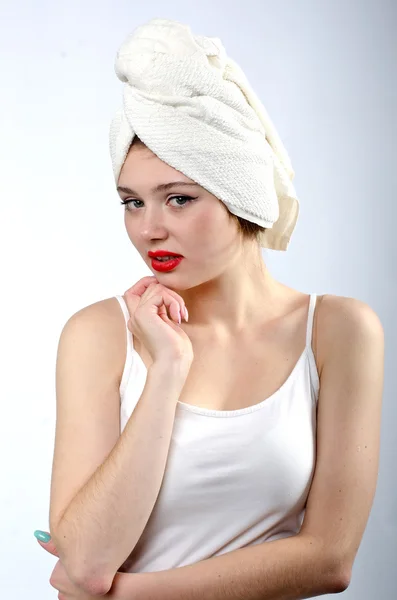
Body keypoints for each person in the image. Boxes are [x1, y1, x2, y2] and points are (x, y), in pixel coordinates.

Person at [39, 18, 384, 600]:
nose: (149, 229)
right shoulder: (100, 335)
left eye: (179, 198)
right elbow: (88, 558)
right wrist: (166, 372)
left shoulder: (338, 332)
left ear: (240, 194)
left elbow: (330, 559)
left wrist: (124, 596)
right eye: (131, 202)